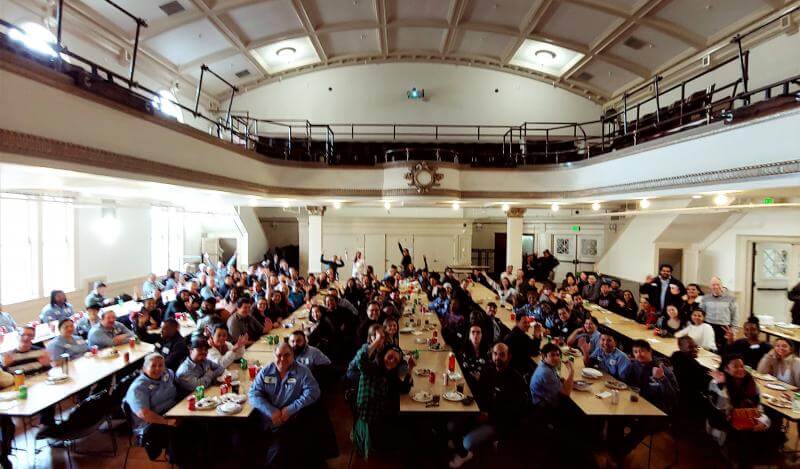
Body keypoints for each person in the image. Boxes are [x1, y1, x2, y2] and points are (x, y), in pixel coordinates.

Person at [450, 342, 529, 468]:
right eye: (495, 354)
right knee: (453, 425)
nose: (498, 357)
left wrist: (489, 416)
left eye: (502, 355)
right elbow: (480, 392)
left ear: (508, 357)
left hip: (498, 422)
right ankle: (461, 443)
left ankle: (466, 454)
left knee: (467, 442)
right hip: (481, 412)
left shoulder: (515, 379)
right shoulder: (488, 369)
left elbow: (513, 411)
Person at [249, 341, 321, 466]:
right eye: (279, 355)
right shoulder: (266, 371)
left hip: (291, 419)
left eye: (287, 355)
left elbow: (314, 392)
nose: (282, 359)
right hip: (268, 418)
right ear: (273, 355)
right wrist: (271, 411)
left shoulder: (302, 371)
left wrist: (291, 409)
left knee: (280, 447)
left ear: (293, 355)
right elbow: (253, 393)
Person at [351, 329, 413, 459]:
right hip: (368, 420)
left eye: (395, 361)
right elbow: (361, 360)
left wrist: (410, 369)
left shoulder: (390, 374)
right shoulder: (372, 368)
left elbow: (404, 388)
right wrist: (377, 340)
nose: (391, 361)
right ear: (383, 355)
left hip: (379, 416)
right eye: (390, 357)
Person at [708, 354, 777, 461]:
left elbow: (758, 405)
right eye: (735, 366)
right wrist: (722, 385)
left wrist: (763, 420)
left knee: (771, 430)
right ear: (726, 368)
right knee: (744, 435)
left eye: (742, 366)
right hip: (723, 418)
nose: (740, 369)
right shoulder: (716, 382)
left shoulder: (749, 381)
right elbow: (720, 409)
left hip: (747, 416)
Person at [123, 353, 182, 462]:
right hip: (151, 425)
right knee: (180, 430)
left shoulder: (167, 374)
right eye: (153, 366)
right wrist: (167, 422)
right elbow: (144, 414)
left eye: (161, 365)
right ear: (144, 368)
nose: (158, 369)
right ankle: (179, 460)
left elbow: (172, 374)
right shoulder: (139, 387)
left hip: (170, 413)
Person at [624, 340, 679, 413]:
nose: (638, 355)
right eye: (635, 352)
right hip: (638, 402)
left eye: (642, 351)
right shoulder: (634, 365)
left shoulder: (662, 369)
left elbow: (673, 396)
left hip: (657, 408)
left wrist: (662, 378)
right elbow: (626, 383)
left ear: (650, 351)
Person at [669, 336, 710, 420]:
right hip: (688, 398)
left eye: (696, 346)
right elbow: (704, 385)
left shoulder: (675, 356)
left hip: (676, 394)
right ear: (681, 347)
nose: (695, 349)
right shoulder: (694, 365)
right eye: (690, 347)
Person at [530, 342, 574, 412]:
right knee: (573, 405)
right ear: (544, 356)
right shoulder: (546, 372)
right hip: (543, 406)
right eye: (552, 355)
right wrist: (571, 371)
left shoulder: (544, 364)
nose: (556, 358)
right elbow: (566, 392)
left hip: (538, 398)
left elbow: (556, 379)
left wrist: (560, 380)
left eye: (558, 355)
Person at [700, 277, 739, 352]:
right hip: (709, 326)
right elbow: (701, 313)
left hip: (724, 328)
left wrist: (734, 331)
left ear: (722, 285)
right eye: (713, 285)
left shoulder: (731, 298)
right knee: (708, 350)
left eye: (717, 284)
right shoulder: (705, 298)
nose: (715, 287)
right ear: (710, 287)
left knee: (723, 351)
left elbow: (735, 316)